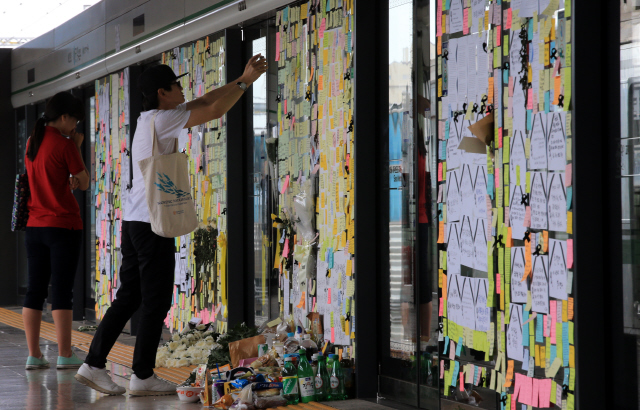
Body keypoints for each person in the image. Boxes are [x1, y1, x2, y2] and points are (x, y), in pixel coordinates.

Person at [75, 54, 267, 396]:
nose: (183, 89)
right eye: (177, 85)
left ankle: (93, 363)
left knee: (129, 296)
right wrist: (245, 82)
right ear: (163, 92)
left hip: (134, 221)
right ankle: (141, 375)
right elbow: (215, 111)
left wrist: (241, 75)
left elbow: (208, 100)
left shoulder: (150, 118)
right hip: (152, 224)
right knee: (155, 300)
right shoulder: (163, 120)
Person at [22, 92, 90, 371]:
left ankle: (34, 355)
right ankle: (64, 353)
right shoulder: (65, 145)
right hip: (63, 225)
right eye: (74, 120)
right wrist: (77, 145)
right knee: (62, 289)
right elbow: (84, 182)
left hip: (34, 226)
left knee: (35, 290)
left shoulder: (31, 141)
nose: (75, 125)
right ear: (64, 117)